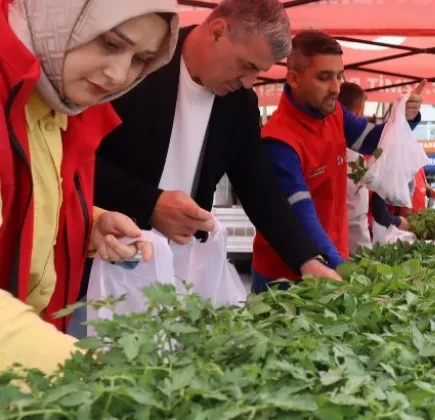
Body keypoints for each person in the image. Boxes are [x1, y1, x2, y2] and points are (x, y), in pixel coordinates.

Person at [89, 0, 341, 301]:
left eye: (258, 73)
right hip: (100, 264)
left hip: (180, 273)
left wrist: (307, 259)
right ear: (218, 32)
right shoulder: (139, 64)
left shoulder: (239, 104)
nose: (249, 82)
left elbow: (260, 188)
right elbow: (78, 162)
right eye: (247, 66)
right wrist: (150, 204)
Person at [0, 0, 180, 371]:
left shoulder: (59, 101)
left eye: (139, 60)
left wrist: (84, 222)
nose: (118, 75)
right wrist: (88, 376)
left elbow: (32, 195)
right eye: (110, 44)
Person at [252, 30, 423, 292]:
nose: (336, 87)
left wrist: (404, 118)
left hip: (331, 263)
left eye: (339, 75)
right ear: (294, 79)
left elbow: (374, 141)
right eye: (324, 77)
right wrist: (343, 270)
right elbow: (301, 218)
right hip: (285, 280)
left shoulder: (333, 113)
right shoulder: (278, 142)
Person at [338, 81, 408, 252]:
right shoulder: (356, 158)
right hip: (349, 247)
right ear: (357, 111)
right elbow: (360, 211)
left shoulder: (356, 154)